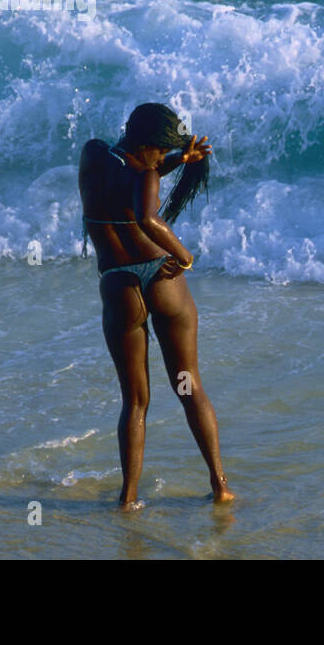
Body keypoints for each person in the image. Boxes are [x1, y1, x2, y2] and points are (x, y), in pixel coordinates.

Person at [78, 102, 234, 509]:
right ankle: (220, 486)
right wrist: (185, 257)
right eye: (159, 151)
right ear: (147, 145)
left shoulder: (95, 155)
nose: (159, 160)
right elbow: (148, 218)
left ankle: (128, 498)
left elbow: (130, 173)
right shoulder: (144, 174)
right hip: (163, 283)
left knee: (135, 401)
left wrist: (176, 160)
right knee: (188, 386)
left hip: (121, 287)